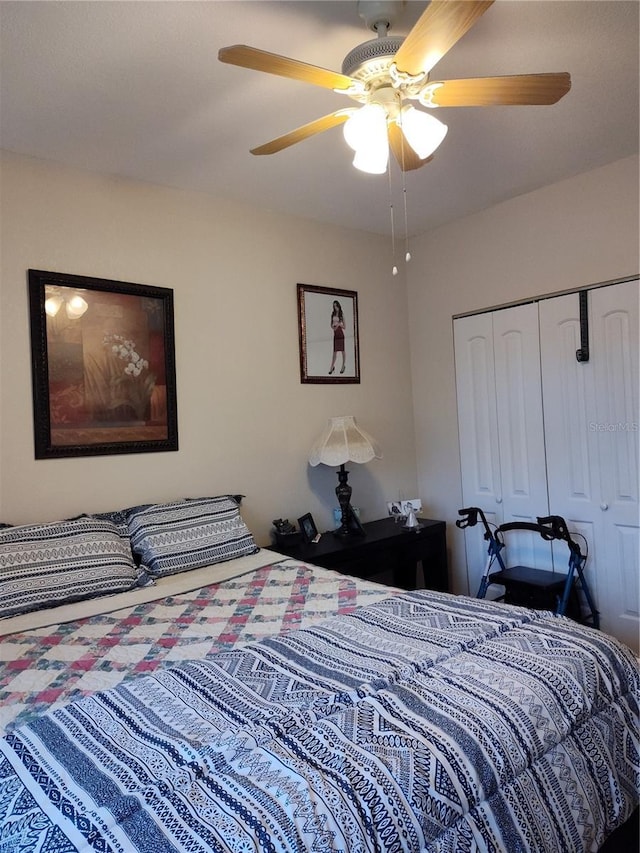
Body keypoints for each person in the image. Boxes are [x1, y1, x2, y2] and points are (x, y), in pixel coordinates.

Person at [328, 300, 346, 374]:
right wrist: (333, 327)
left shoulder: (342, 314)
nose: (335, 307)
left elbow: (344, 326)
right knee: (334, 352)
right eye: (334, 306)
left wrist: (339, 325)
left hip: (340, 333)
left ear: (338, 305)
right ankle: (332, 367)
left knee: (342, 350)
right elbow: (331, 324)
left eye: (336, 305)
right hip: (335, 333)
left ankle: (343, 365)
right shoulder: (333, 314)